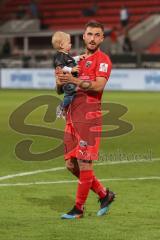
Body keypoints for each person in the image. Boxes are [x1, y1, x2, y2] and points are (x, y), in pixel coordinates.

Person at [56, 21, 115, 219]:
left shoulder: (103, 60)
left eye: (97, 35)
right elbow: (60, 89)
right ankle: (104, 194)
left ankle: (78, 209)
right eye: (89, 34)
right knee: (71, 165)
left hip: (89, 118)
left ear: (102, 38)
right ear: (83, 36)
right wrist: (60, 81)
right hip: (71, 118)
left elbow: (98, 86)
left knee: (85, 164)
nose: (92, 38)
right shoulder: (75, 61)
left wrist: (74, 80)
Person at [52, 31, 84, 118]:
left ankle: (64, 111)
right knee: (70, 96)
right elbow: (61, 66)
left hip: (69, 80)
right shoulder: (59, 56)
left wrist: (78, 58)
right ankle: (61, 107)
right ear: (62, 45)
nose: (71, 44)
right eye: (69, 43)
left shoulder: (65, 55)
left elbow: (71, 60)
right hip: (66, 80)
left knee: (73, 95)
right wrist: (71, 69)